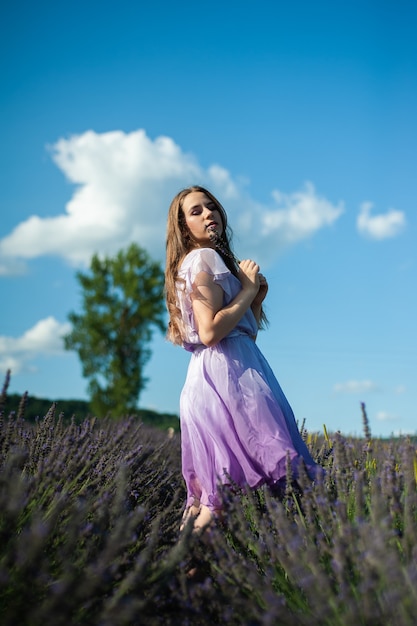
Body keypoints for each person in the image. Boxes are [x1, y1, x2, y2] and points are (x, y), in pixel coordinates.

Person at [165, 185, 317, 532]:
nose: (208, 215)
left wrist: (255, 301)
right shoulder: (204, 259)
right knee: (222, 497)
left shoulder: (200, 262)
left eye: (212, 207)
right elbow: (209, 333)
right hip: (227, 381)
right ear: (182, 226)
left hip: (221, 373)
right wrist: (246, 290)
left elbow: (237, 333)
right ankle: (172, 572)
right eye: (196, 211)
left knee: (213, 495)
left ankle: (174, 573)